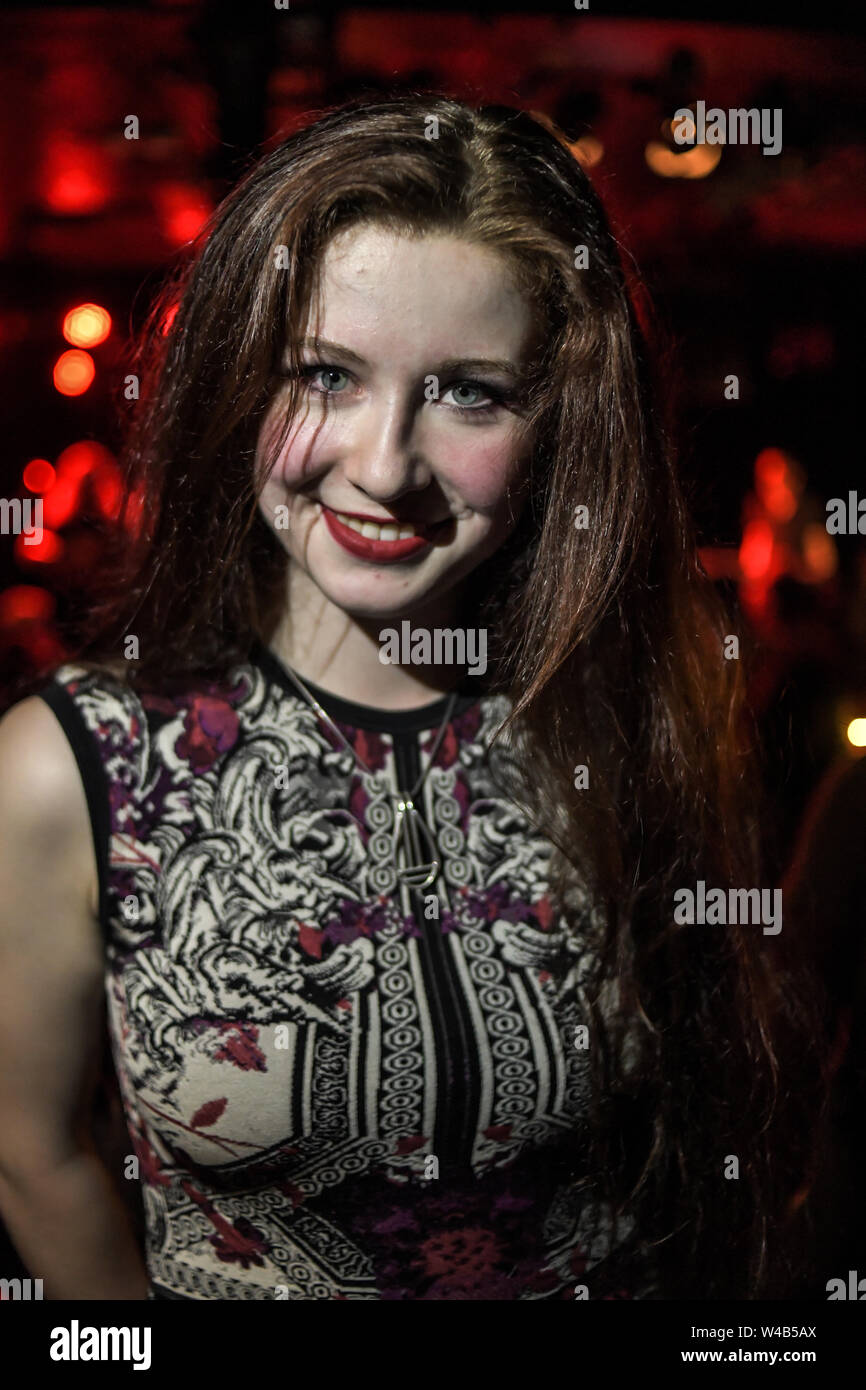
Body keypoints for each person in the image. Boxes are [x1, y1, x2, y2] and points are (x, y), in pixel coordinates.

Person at [0, 94, 821, 1301]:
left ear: (558, 426)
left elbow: (691, 1158)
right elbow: (32, 1158)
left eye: (469, 393)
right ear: (238, 380)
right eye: (324, 373)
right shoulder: (73, 767)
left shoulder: (625, 722)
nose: (383, 465)